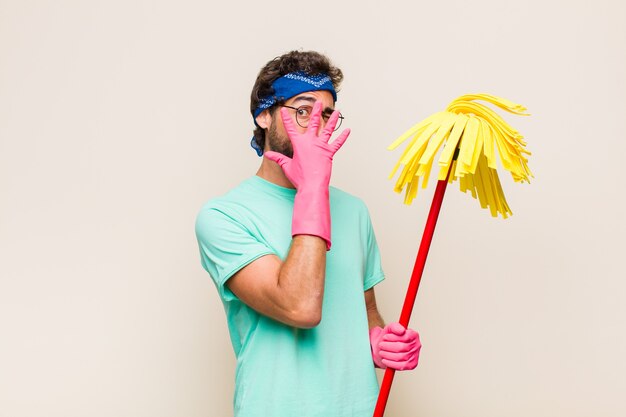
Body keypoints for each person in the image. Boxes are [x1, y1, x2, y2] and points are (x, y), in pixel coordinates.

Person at [194, 50, 421, 417]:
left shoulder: (354, 210)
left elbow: (365, 312)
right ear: (264, 115)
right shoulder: (223, 216)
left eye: (327, 113)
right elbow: (300, 306)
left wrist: (378, 342)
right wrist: (313, 187)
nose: (317, 124)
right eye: (303, 110)